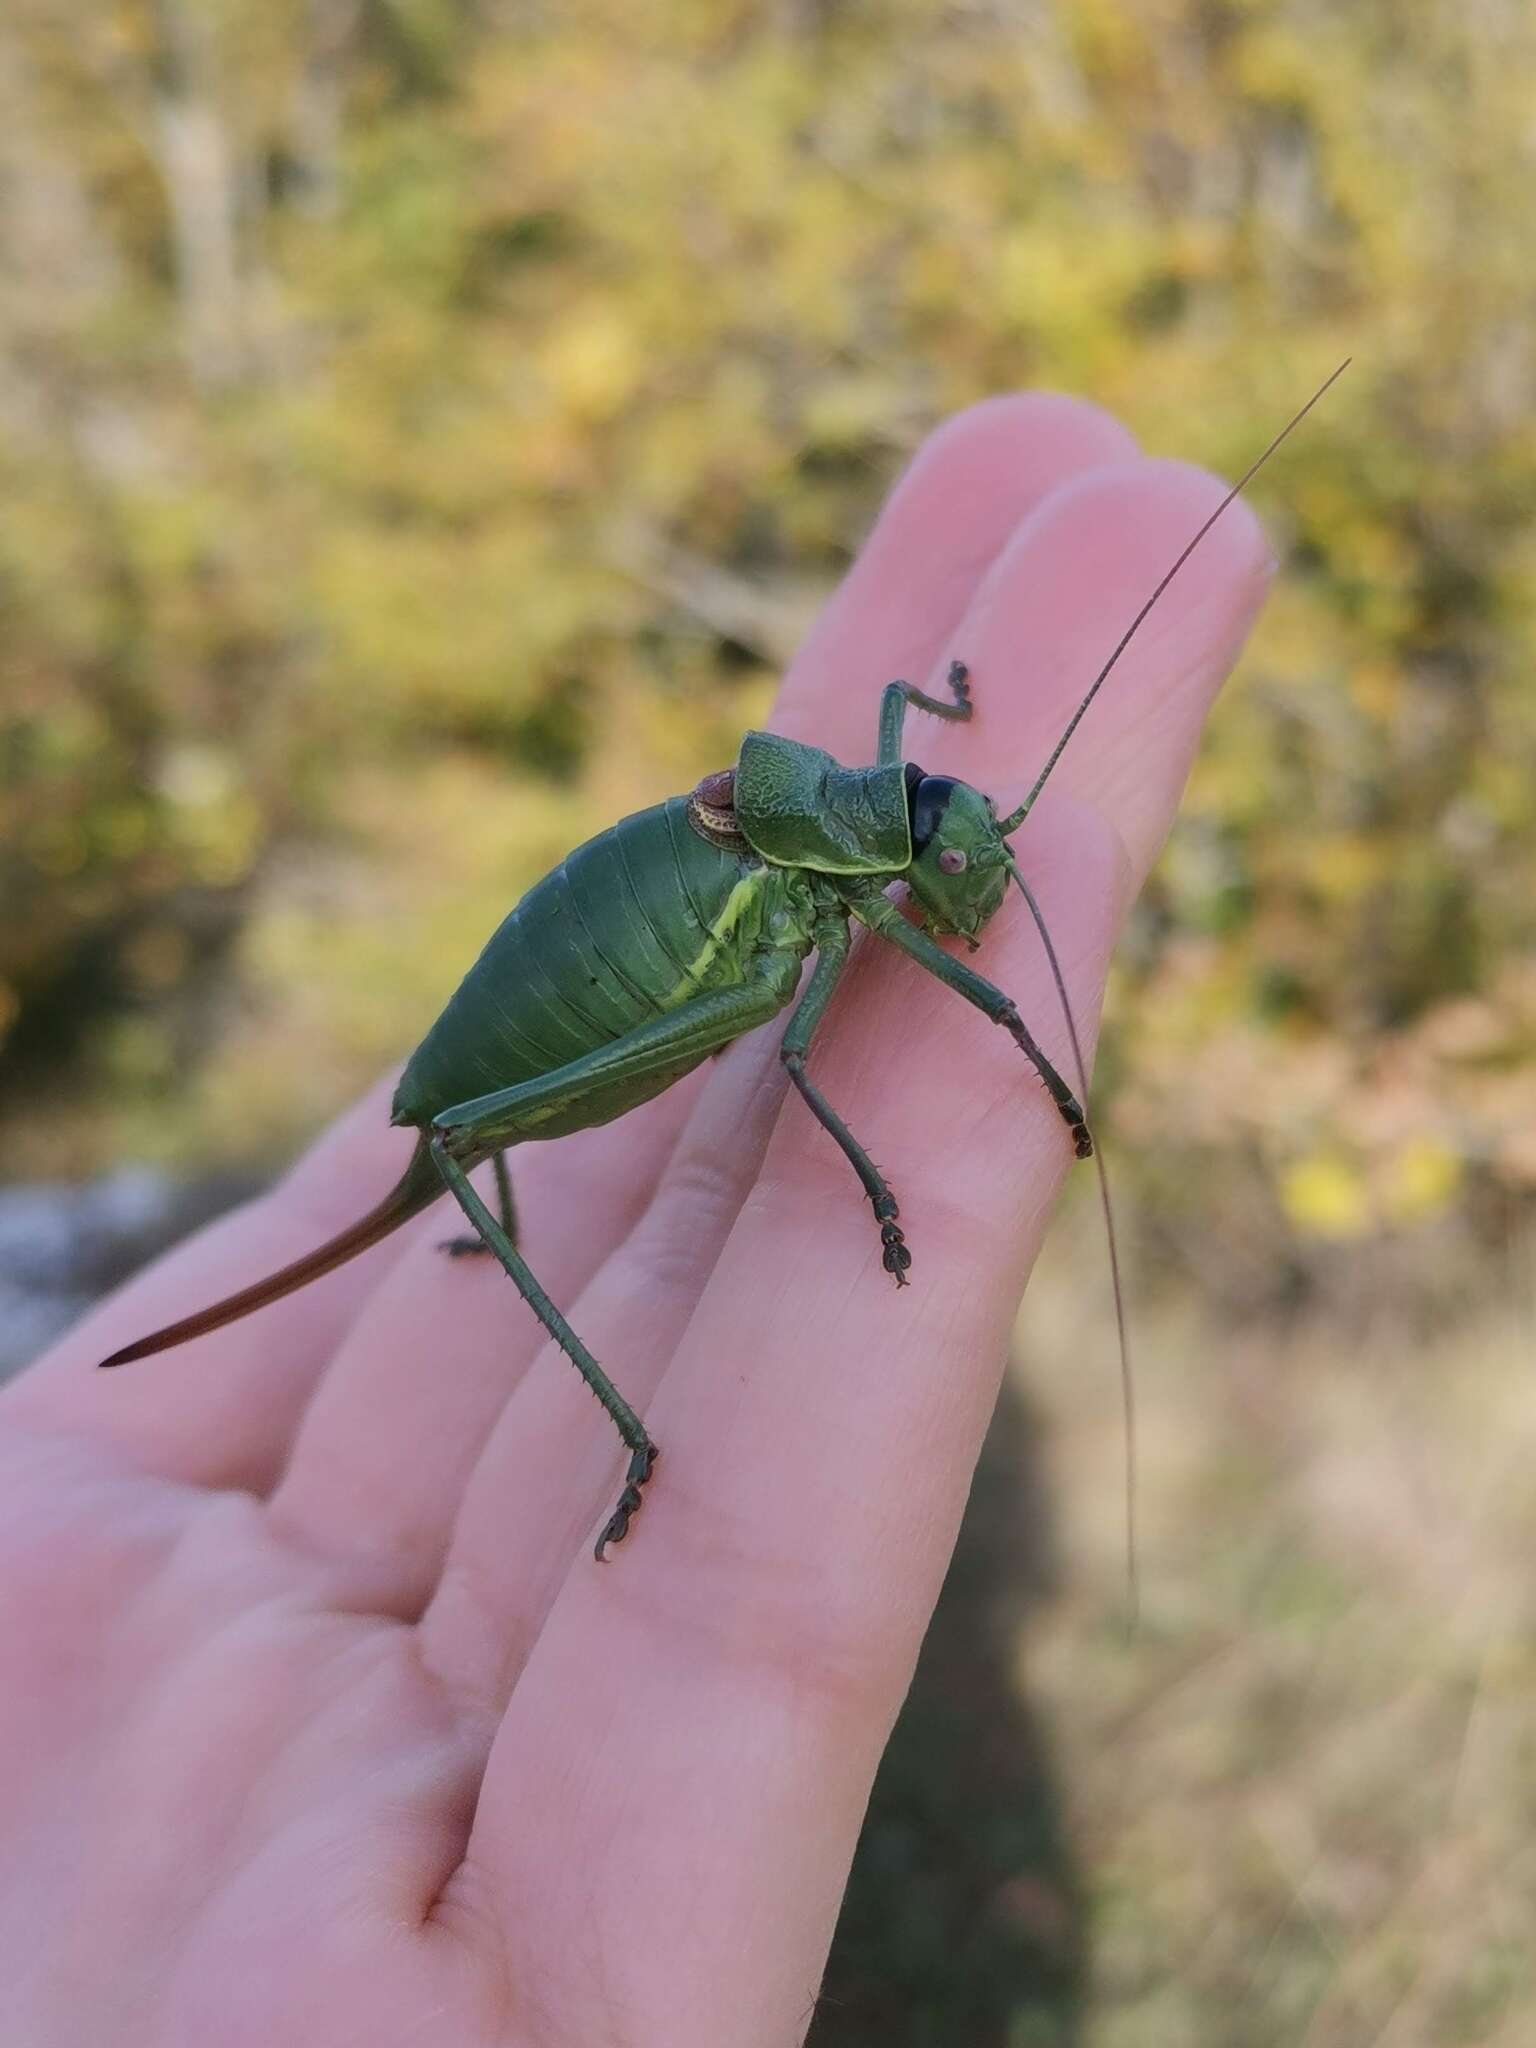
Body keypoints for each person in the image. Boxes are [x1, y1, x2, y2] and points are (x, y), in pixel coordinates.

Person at [0, 392, 1268, 2044]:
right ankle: (604, 1394)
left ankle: (476, 1192)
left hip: (700, 887)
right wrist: (990, 1081)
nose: (964, 869)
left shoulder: (873, 823)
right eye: (947, 840)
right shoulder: (826, 880)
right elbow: (799, 1059)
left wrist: (957, 773)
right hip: (641, 963)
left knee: (701, 1079)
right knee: (725, 1072)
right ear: (891, 839)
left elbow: (902, 739)